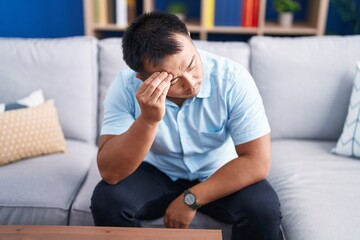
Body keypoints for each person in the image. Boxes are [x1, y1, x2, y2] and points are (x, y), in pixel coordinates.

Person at [91, 12, 281, 240]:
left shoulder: (233, 80)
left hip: (218, 170)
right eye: (172, 80)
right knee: (106, 201)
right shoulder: (125, 87)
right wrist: (148, 120)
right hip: (157, 171)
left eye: (191, 65)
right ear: (143, 79)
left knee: (263, 209)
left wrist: (191, 199)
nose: (191, 84)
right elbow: (110, 172)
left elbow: (257, 162)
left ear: (189, 38)